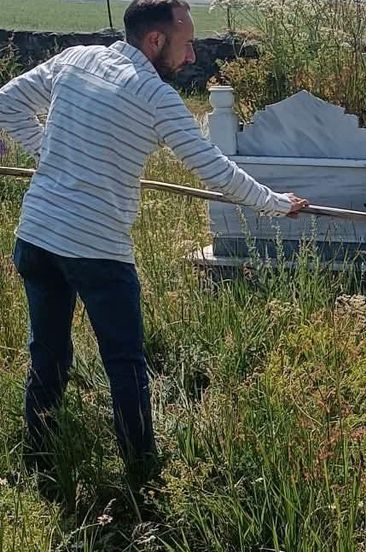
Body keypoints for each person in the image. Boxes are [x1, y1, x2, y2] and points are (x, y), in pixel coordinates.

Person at [0, 0, 307, 482]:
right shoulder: (154, 96)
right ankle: (143, 475)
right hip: (97, 249)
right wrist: (276, 203)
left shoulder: (75, 58)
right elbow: (214, 170)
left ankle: (39, 461)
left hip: (37, 235)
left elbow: (7, 103)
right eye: (187, 44)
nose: (192, 56)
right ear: (155, 40)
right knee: (125, 362)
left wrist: (51, 156)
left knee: (48, 352)